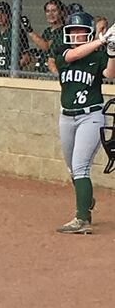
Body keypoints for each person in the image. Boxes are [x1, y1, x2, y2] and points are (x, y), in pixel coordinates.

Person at [53, 13, 115, 234]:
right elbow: (71, 57)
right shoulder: (61, 50)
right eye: (72, 31)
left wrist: (111, 51)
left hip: (91, 116)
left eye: (80, 31)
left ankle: (82, 220)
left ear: (88, 32)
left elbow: (109, 73)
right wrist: (101, 40)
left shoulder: (97, 56)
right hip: (67, 117)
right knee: (72, 168)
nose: (75, 34)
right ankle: (86, 203)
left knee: (80, 166)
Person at [20, 0, 64, 74]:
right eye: (48, 11)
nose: (50, 14)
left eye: (54, 11)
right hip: (41, 69)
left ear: (61, 13)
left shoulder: (63, 31)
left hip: (51, 72)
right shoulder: (47, 31)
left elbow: (45, 46)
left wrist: (29, 30)